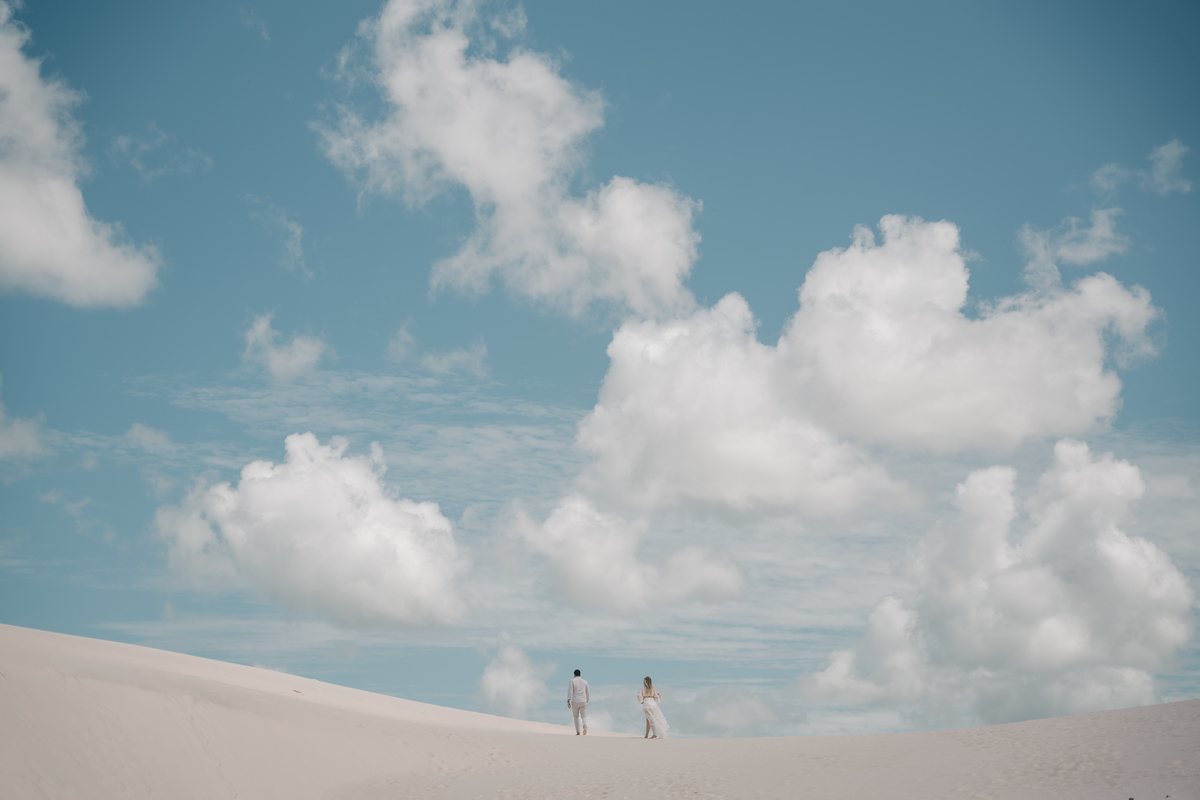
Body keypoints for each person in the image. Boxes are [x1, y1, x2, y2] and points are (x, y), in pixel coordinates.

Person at [567, 669, 589, 735]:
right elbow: (587, 692)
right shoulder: (585, 682)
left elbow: (570, 691)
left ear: (574, 675)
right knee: (584, 716)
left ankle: (578, 732)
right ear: (580, 674)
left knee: (576, 717)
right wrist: (587, 700)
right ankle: (585, 725)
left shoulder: (572, 681)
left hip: (575, 701)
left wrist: (568, 700)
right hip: (583, 700)